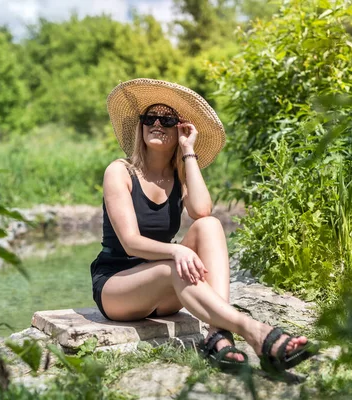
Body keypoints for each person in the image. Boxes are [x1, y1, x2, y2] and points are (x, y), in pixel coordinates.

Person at [90, 78, 318, 373]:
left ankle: (217, 335)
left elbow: (202, 210)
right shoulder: (119, 171)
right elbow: (131, 242)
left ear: (178, 128)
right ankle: (255, 332)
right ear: (141, 126)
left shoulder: (177, 175)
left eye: (167, 119)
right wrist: (175, 252)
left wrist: (188, 150)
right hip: (118, 288)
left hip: (165, 290)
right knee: (176, 263)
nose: (157, 124)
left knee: (210, 225)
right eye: (150, 118)